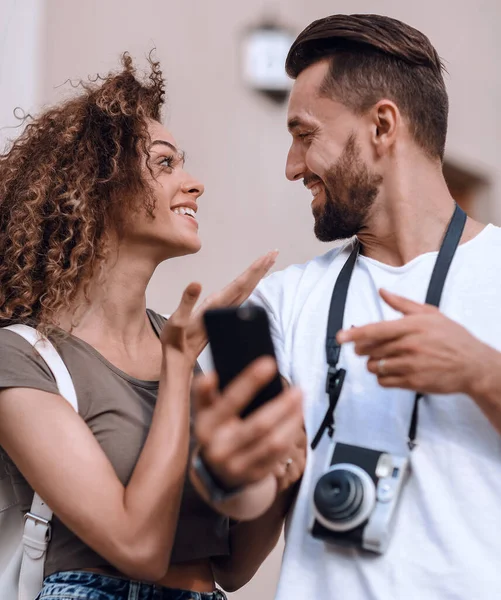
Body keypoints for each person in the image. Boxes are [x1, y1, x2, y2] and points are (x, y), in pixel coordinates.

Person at [192, 14, 501, 600]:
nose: (291, 165)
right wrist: (230, 476)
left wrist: (482, 372)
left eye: (304, 134)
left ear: (383, 125)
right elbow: (232, 566)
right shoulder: (281, 304)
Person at [0, 54, 305, 600]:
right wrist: (178, 363)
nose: (195, 184)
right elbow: (137, 546)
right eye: (165, 164)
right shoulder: (20, 356)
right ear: (95, 187)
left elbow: (231, 567)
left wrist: (277, 458)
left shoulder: (187, 348)